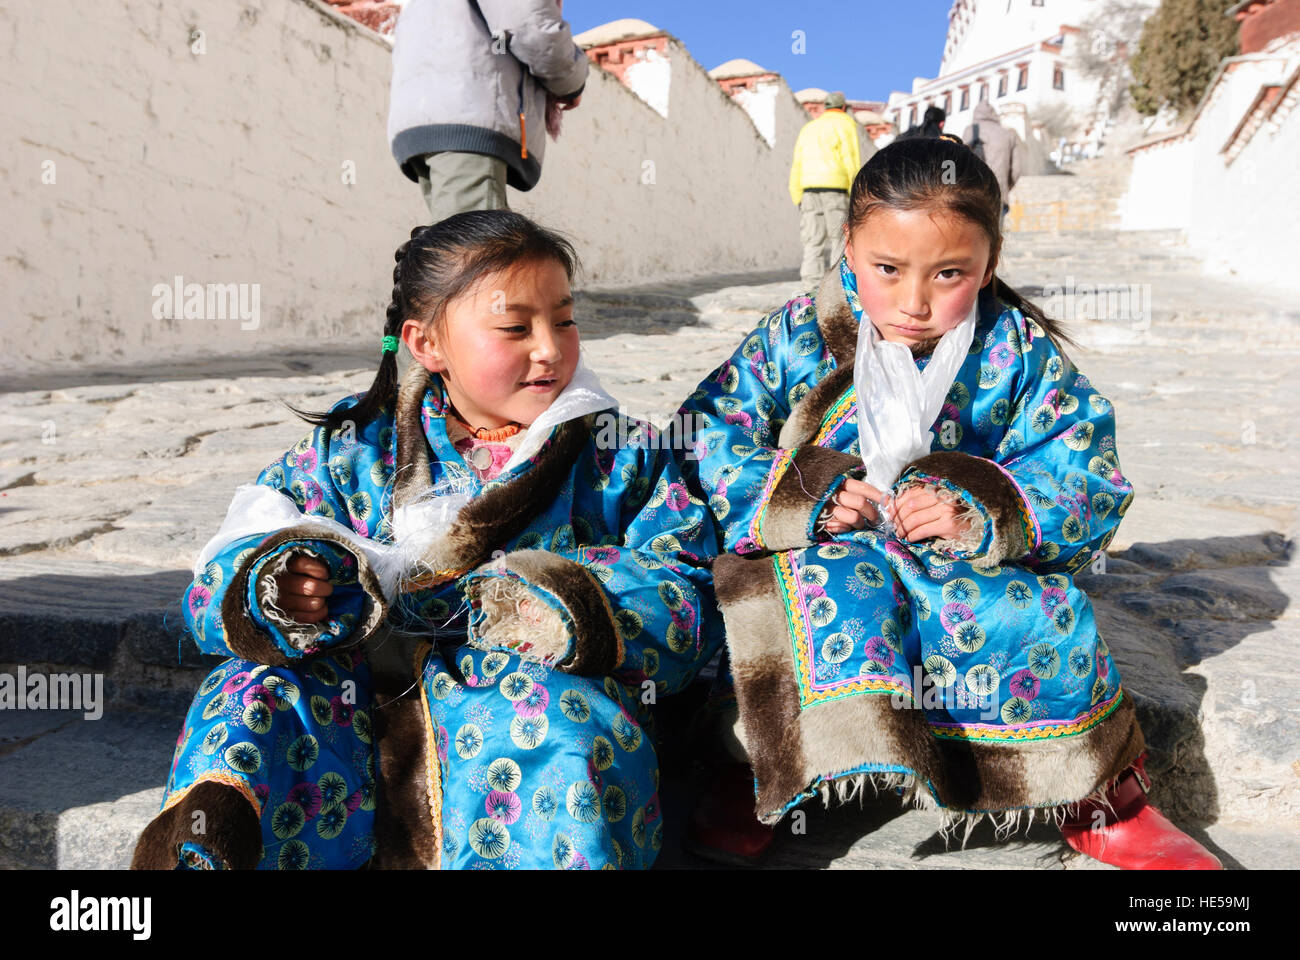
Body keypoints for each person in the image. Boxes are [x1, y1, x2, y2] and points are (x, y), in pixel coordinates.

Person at [675, 138, 1222, 869]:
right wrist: (802, 492)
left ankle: (1097, 796)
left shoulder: (1016, 351)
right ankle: (762, 773)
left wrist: (984, 510)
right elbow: (706, 429)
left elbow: (1084, 463)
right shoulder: (798, 333)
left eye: (950, 274)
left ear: (989, 263)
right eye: (887, 270)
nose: (914, 302)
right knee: (792, 601)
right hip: (824, 548)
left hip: (966, 559)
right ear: (848, 247)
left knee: (1038, 612)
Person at [132, 211, 724, 870]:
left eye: (563, 318)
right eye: (514, 327)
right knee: (252, 698)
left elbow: (683, 585)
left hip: (528, 689)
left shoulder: (621, 456)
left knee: (568, 731)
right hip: (352, 686)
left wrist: (561, 608)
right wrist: (281, 586)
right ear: (427, 345)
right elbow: (233, 559)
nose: (550, 348)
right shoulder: (352, 454)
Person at [387, 0, 588, 223]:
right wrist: (572, 82)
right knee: (478, 248)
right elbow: (531, 25)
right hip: (467, 117)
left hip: (430, 117)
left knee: (449, 244)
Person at [789, 92, 863, 291]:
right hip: (835, 189)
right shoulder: (846, 124)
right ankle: (836, 287)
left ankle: (809, 287)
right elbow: (851, 160)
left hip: (808, 190)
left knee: (812, 240)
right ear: (843, 107)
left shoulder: (809, 128)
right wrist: (855, 191)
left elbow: (797, 163)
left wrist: (797, 194)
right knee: (838, 240)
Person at [963, 101, 1025, 226]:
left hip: (974, 193)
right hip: (999, 195)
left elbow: (961, 160)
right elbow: (1017, 169)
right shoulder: (1008, 134)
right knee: (995, 238)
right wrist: (1006, 186)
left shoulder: (970, 131)